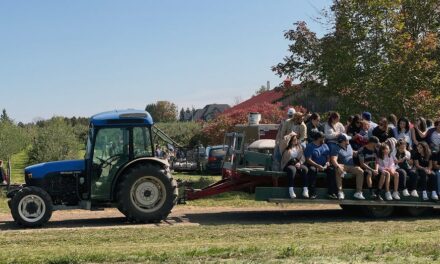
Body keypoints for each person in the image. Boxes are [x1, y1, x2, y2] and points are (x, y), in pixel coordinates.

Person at [330, 134, 365, 200]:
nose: (349, 140)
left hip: (351, 166)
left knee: (360, 171)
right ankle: (340, 192)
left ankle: (358, 192)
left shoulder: (349, 146)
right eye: (347, 139)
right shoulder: (335, 148)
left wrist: (360, 151)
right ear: (343, 141)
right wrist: (337, 166)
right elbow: (333, 159)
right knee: (338, 169)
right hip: (343, 166)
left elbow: (353, 153)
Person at [304, 131, 334, 199]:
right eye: (323, 138)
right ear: (318, 138)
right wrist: (317, 166)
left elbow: (328, 157)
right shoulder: (310, 146)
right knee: (312, 170)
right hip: (314, 165)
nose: (324, 140)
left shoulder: (325, 145)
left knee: (332, 170)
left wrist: (327, 162)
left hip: (324, 166)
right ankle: (312, 193)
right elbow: (308, 159)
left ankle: (331, 193)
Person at [280, 133, 308, 199]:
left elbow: (302, 157)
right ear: (290, 140)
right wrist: (290, 135)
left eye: (296, 139)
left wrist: (300, 163)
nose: (296, 141)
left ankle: (305, 189)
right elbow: (284, 141)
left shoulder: (299, 147)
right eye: (294, 139)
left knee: (305, 169)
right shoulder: (285, 147)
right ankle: (291, 190)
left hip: (297, 163)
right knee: (292, 170)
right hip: (288, 164)